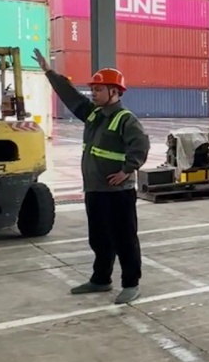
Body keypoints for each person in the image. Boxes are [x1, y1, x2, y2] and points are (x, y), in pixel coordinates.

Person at [33, 48, 151, 304]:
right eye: (93, 89)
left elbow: (140, 146)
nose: (93, 93)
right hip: (95, 188)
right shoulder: (94, 114)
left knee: (124, 239)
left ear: (114, 92)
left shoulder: (125, 119)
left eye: (98, 89)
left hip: (117, 192)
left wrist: (126, 170)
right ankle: (101, 279)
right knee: (99, 239)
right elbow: (72, 97)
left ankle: (131, 283)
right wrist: (49, 72)